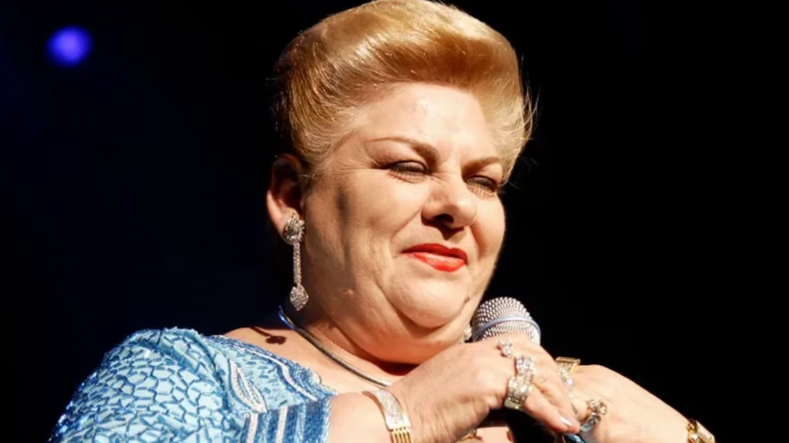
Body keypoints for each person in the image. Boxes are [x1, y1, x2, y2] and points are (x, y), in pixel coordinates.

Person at [49, 0, 714, 442]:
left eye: (483, 180)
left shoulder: (568, 407)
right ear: (291, 196)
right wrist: (406, 413)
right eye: (406, 166)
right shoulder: (185, 376)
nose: (456, 205)